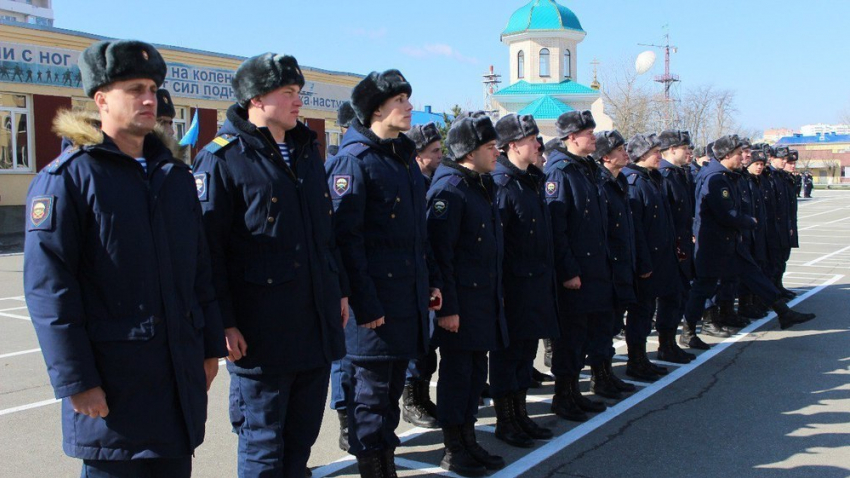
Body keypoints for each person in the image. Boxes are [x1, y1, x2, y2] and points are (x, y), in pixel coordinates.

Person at [24, 39, 226, 478]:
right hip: (114, 390)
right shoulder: (67, 180)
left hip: (176, 385)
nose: (149, 98)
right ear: (101, 99)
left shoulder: (173, 177)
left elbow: (200, 273)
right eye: (134, 89)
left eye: (152, 87)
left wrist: (210, 348)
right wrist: (78, 381)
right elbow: (50, 291)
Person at [193, 52, 350, 478]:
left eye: (299, 92)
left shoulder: (304, 151)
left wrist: (338, 288)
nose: (299, 101)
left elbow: (324, 235)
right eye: (288, 92)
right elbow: (209, 252)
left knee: (301, 440)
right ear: (256, 99)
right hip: (260, 331)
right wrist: (223, 322)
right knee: (263, 446)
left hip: (313, 325)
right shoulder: (222, 158)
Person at [325, 69, 437, 478]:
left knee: (389, 396)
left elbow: (416, 236)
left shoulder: (401, 158)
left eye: (408, 99)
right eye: (400, 101)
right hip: (371, 308)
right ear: (376, 110)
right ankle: (375, 469)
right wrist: (364, 301)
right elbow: (345, 241)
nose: (409, 107)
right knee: (369, 399)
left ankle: (385, 464)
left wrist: (430, 284)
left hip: (405, 301)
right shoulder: (355, 161)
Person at [428, 113, 508, 475]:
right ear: (468, 151)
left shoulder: (477, 183)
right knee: (457, 377)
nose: (496, 153)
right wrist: (448, 308)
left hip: (481, 301)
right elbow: (439, 255)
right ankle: (453, 448)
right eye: (490, 147)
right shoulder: (450, 190)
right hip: (459, 305)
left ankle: (469, 440)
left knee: (476, 376)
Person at [684, 135, 816, 332]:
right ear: (727, 155)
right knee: (704, 287)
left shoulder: (726, 175)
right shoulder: (716, 178)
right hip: (714, 244)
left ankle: (784, 312)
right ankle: (689, 330)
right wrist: (749, 221)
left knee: (753, 274)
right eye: (739, 154)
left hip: (730, 241)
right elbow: (726, 213)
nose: (743, 157)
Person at [490, 114, 560, 447]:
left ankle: (520, 415)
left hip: (534, 284)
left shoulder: (529, 179)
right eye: (532, 139)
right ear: (513, 145)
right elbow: (498, 246)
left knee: (524, 355)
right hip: (513, 288)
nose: (538, 144)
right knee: (508, 357)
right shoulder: (502, 184)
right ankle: (506, 421)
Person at [544, 110, 612, 421]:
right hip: (575, 274)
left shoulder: (585, 169)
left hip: (593, 269)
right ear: (572, 138)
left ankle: (573, 392)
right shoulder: (561, 172)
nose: (594, 138)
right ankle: (563, 396)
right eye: (589, 133)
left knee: (583, 335)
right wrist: (568, 270)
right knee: (569, 338)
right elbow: (557, 229)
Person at [623, 133, 692, 382]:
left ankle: (666, 345)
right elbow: (637, 229)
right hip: (648, 260)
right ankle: (637, 359)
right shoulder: (634, 182)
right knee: (641, 312)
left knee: (662, 302)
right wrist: (642, 262)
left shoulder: (652, 178)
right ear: (642, 155)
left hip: (663, 256)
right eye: (655, 152)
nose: (659, 157)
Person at [593, 130, 640, 394]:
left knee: (611, 324)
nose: (626, 153)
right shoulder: (601, 184)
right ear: (606, 157)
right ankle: (600, 377)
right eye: (620, 149)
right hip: (608, 266)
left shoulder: (619, 181)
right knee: (602, 326)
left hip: (621, 263)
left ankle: (607, 373)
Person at [657, 130, 713, 349]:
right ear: (672, 150)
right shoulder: (665, 176)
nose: (690, 152)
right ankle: (666, 344)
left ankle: (677, 339)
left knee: (682, 294)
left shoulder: (681, 173)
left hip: (683, 244)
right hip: (671, 247)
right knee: (671, 297)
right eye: (686, 148)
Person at [408, 122, 443, 190]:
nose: (440, 155)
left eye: (440, 150)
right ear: (417, 156)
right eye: (435, 151)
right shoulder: (410, 186)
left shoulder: (442, 180)